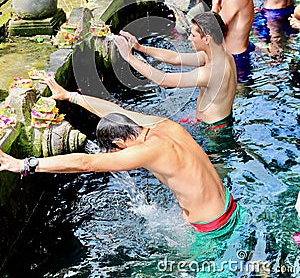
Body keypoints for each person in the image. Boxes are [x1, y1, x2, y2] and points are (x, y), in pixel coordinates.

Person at [0, 76, 243, 237]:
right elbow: (117, 111)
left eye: (114, 151)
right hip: (228, 206)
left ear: (118, 143)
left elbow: (85, 162)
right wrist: (70, 97)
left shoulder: (146, 152)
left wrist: (24, 164)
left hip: (213, 229)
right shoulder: (164, 126)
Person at [115, 12, 237, 129]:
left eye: (193, 35)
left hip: (213, 133)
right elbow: (175, 58)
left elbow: (163, 80)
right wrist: (140, 48)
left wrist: (129, 58)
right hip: (219, 122)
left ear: (207, 39)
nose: (189, 38)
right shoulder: (223, 56)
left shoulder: (209, 73)